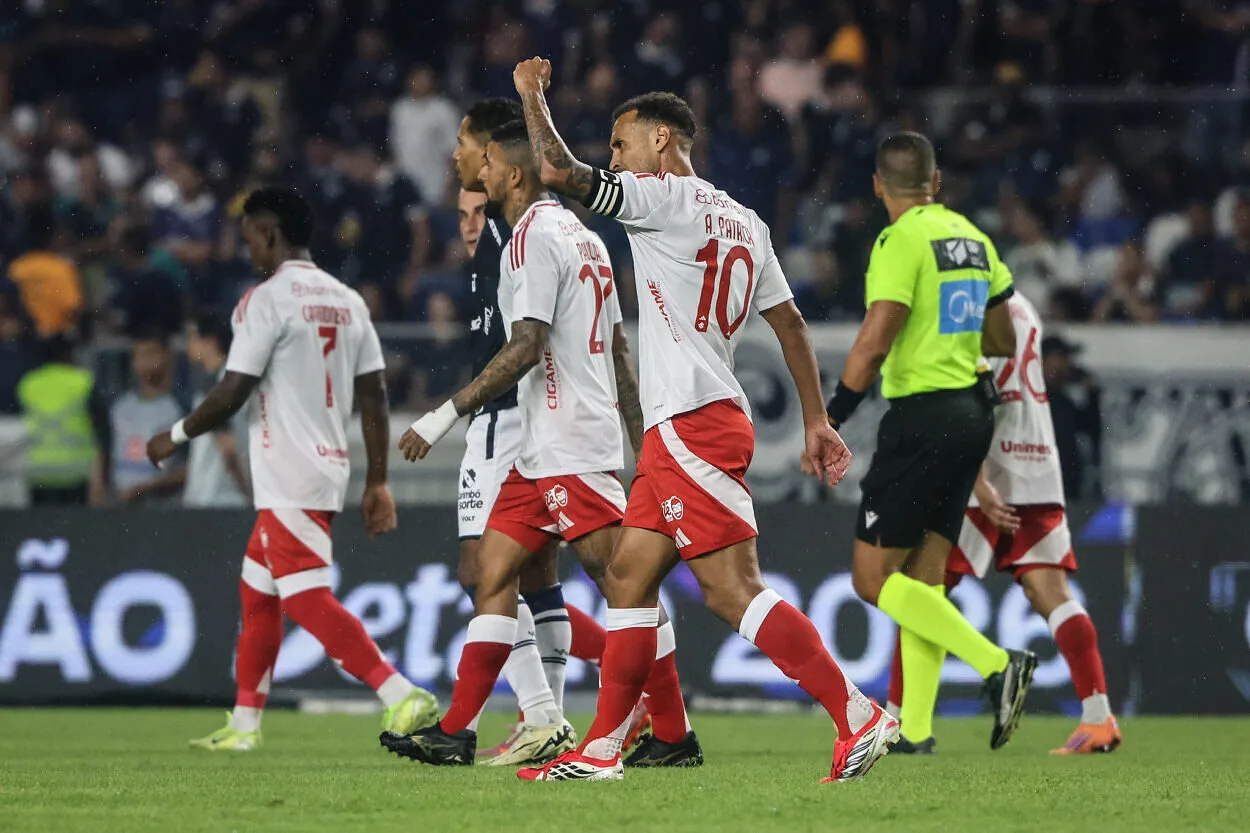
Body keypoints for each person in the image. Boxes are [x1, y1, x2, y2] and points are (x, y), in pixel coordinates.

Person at [509, 62, 891, 784]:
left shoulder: (661, 199)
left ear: (662, 140)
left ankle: (857, 712)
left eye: (622, 144)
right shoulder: (746, 220)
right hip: (682, 424)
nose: (615, 159)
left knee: (729, 588)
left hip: (691, 421)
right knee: (628, 578)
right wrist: (815, 418)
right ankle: (599, 751)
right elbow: (792, 324)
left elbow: (558, 171)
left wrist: (532, 97)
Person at [383, 120, 647, 768]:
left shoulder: (527, 237)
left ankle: (662, 720)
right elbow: (615, 348)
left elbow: (526, 345)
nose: (467, 168)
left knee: (623, 582)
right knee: (495, 573)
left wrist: (440, 415)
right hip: (542, 444)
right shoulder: (580, 237)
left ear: (506, 168)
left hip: (563, 437)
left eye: (479, 160)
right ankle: (474, 725)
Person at [145, 187, 438, 750]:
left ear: (270, 234)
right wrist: (377, 479)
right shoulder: (348, 300)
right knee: (258, 592)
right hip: (326, 462)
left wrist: (176, 435)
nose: (246, 245)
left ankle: (400, 691)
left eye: (251, 234)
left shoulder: (265, 299)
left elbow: (234, 389)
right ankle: (246, 724)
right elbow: (375, 395)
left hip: (287, 469)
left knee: (304, 597)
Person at [823, 132, 1037, 753]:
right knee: (925, 576)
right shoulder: (973, 238)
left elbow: (876, 335)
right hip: (973, 413)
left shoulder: (900, 240)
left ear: (877, 186)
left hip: (922, 417)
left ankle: (997, 664)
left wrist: (834, 413)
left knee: (871, 578)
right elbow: (1000, 336)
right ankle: (914, 729)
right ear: (936, 182)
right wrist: (954, 336)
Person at [887, 291, 1121, 756]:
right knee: (1051, 593)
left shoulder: (967, 313)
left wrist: (976, 483)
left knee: (920, 587)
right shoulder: (1024, 307)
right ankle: (1099, 718)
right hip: (1037, 466)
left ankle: (900, 721)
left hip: (988, 472)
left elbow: (970, 406)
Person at [17, 335, 110, 505]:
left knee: (40, 529)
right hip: (75, 474)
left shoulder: (28, 383)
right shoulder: (83, 381)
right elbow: (102, 431)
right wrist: (100, 477)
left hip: (38, 473)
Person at [110, 330, 187, 504]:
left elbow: (191, 467)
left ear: (166, 356)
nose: (146, 361)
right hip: (120, 509)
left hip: (164, 508)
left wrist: (146, 488)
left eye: (152, 353)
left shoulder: (179, 407)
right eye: (140, 355)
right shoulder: (120, 407)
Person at [182, 310, 249, 507]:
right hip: (226, 498)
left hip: (214, 497)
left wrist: (247, 492)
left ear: (210, 342)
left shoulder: (215, 386)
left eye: (192, 337)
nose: (188, 345)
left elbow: (227, 448)